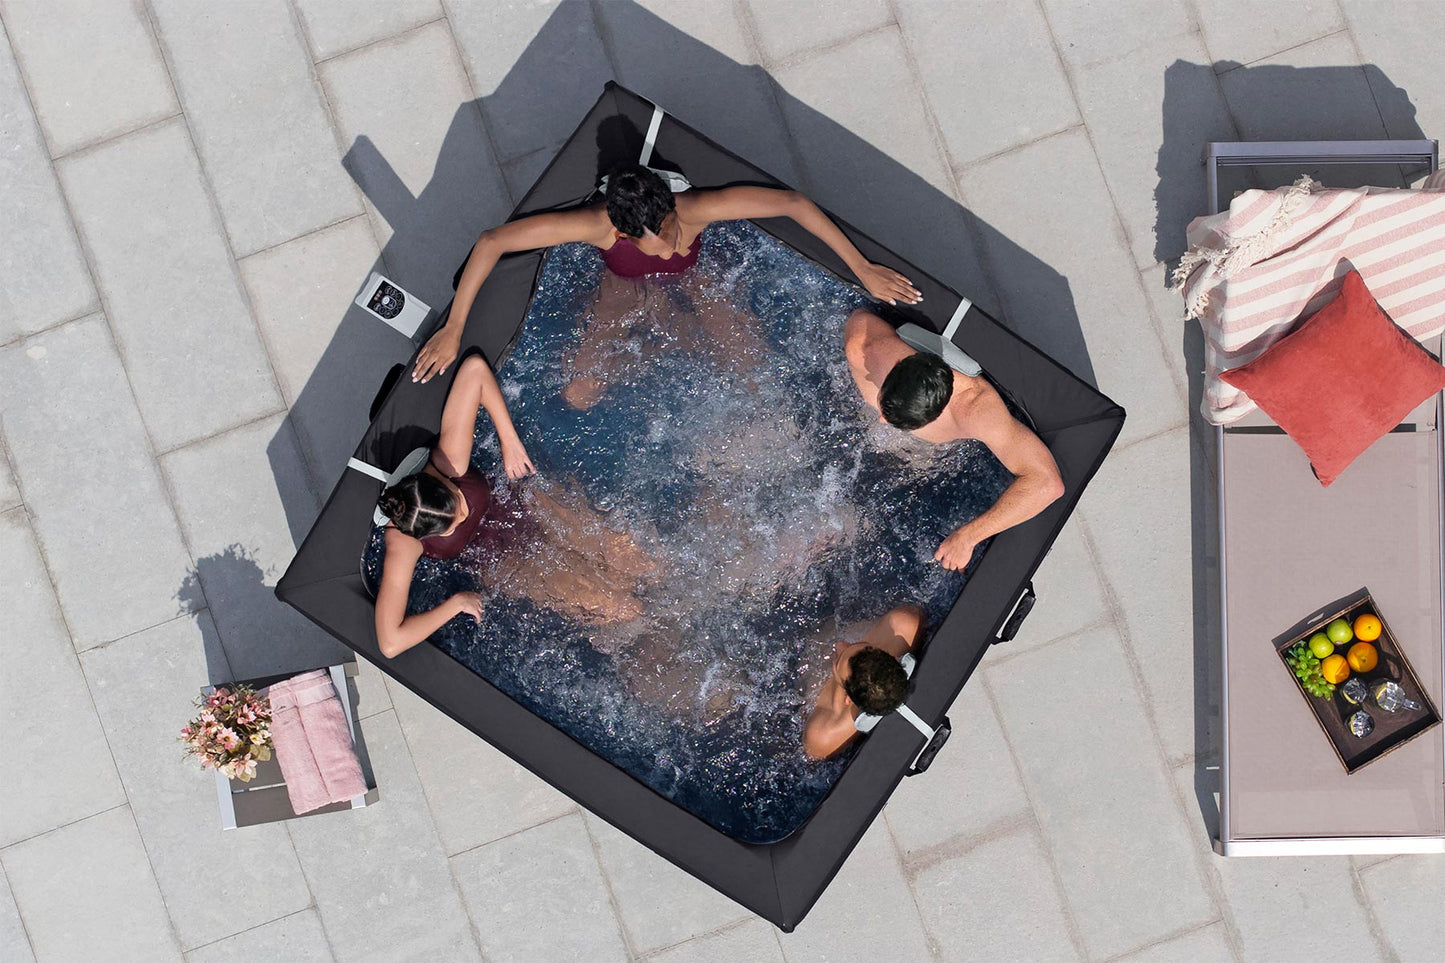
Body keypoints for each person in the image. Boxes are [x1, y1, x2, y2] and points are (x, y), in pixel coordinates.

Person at [409, 165, 924, 386]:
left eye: (671, 235)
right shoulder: (596, 225)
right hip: (620, 287)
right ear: (624, 233)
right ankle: (666, 344)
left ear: (670, 210)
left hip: (698, 277)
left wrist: (861, 268)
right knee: (577, 391)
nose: (665, 252)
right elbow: (491, 240)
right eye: (652, 247)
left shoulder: (694, 208)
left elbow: (790, 203)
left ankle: (678, 339)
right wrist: (454, 328)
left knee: (750, 367)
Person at [373, 353, 655, 658]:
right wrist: (456, 604)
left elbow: (475, 370)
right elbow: (390, 643)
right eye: (454, 523)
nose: (465, 513)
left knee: (646, 566)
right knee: (626, 609)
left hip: (525, 504)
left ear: (439, 482)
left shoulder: (448, 462)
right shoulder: (402, 543)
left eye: (458, 501)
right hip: (504, 561)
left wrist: (509, 441)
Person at [844, 308, 1065, 571]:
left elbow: (1047, 484)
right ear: (895, 367)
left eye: (890, 416)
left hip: (926, 459)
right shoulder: (866, 346)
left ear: (938, 412)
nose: (882, 419)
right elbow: (858, 317)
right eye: (885, 408)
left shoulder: (976, 410)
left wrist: (968, 537)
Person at [803, 604, 925, 760]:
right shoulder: (903, 624)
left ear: (848, 698)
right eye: (859, 645)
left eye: (838, 660)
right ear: (893, 657)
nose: (840, 645)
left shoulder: (822, 735)